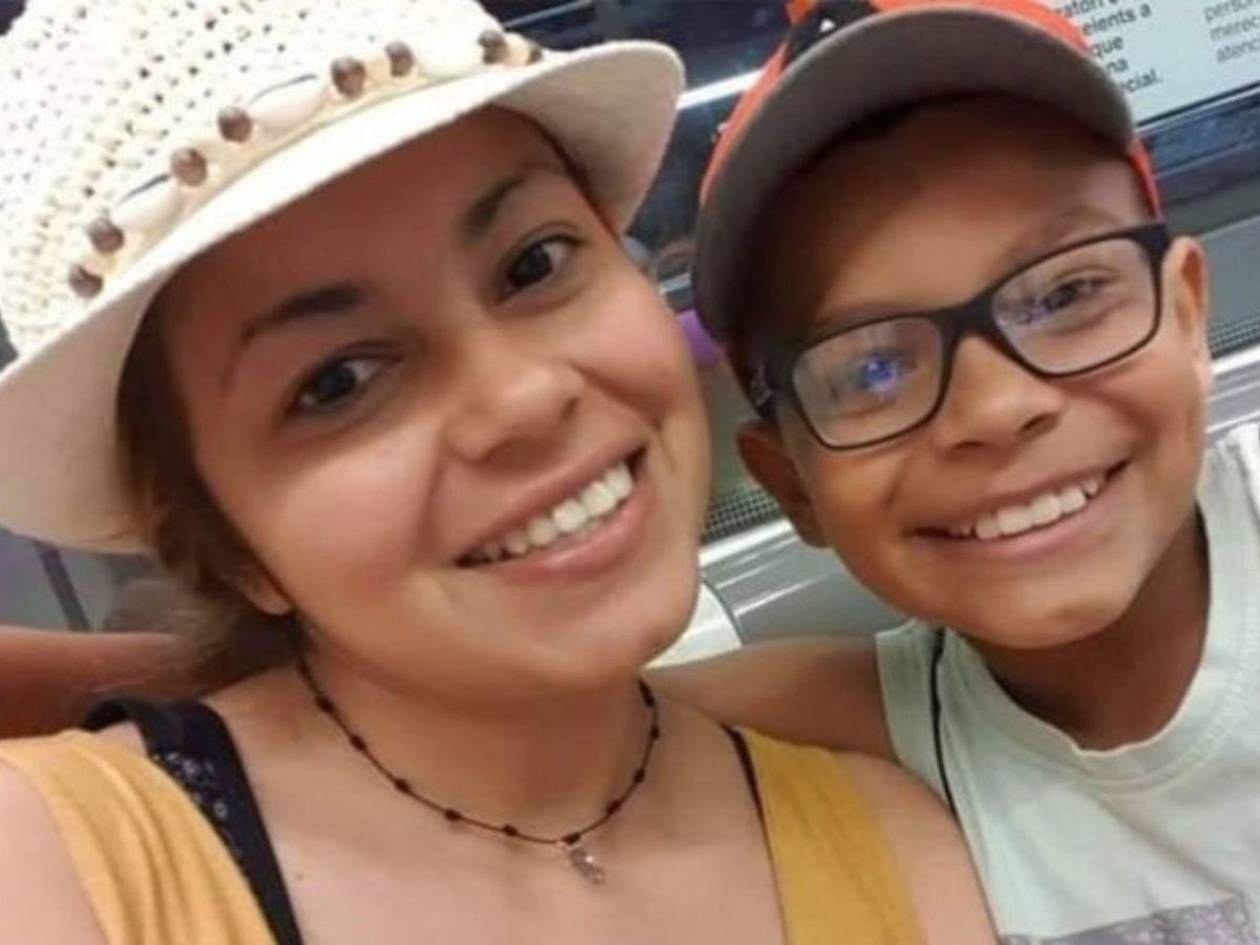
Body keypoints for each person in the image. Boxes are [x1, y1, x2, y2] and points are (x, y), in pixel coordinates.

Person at [0, 1, 992, 943]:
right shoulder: (61, 869)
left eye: (534, 265)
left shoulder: (895, 845)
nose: (522, 399)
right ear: (221, 547)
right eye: (338, 382)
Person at [660, 0, 1260, 941]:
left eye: (1066, 293)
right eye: (872, 368)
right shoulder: (874, 730)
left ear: (1185, 316)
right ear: (789, 483)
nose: (995, 407)